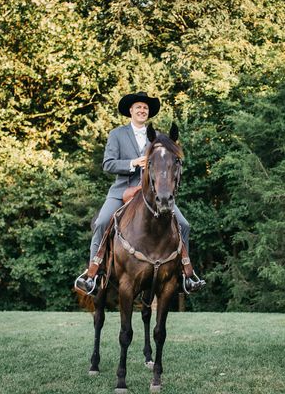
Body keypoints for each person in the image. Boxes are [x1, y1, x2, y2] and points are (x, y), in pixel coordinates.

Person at [74, 91, 205, 295]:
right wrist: (133, 163)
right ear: (130, 111)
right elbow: (108, 164)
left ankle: (185, 274)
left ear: (148, 113)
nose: (142, 110)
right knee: (101, 222)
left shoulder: (158, 137)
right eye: (138, 107)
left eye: (145, 108)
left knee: (184, 224)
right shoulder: (117, 134)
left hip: (153, 193)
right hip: (122, 190)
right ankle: (92, 273)